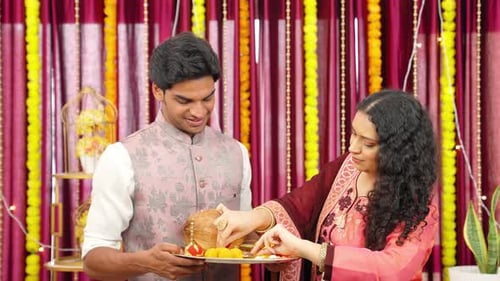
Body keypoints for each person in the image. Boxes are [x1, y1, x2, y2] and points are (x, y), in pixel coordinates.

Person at [215, 90, 438, 281]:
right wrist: (249, 219)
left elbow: (392, 270)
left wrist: (305, 249)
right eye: (353, 134)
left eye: (367, 143)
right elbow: (298, 206)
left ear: (397, 152)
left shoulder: (418, 204)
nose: (353, 148)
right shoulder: (346, 167)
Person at [82, 32, 252, 281]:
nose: (198, 111)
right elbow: (93, 262)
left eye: (208, 98)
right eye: (184, 100)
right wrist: (145, 262)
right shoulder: (121, 157)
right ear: (157, 91)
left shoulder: (237, 152)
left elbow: (247, 239)